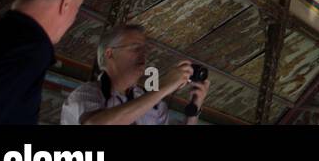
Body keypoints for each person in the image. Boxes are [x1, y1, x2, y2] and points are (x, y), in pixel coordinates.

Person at [60, 23, 209, 125]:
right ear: (110, 54)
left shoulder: (154, 105)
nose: (143, 54)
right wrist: (163, 88)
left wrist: (193, 111)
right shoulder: (86, 95)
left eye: (144, 49)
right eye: (135, 48)